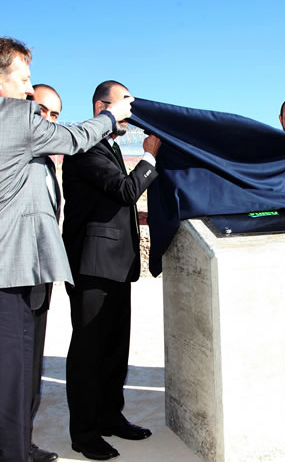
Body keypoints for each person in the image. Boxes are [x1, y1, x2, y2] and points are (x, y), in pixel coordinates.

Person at [0, 37, 133, 462]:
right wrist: (113, 118)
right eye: (24, 80)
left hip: (33, 269)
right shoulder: (17, 119)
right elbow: (78, 143)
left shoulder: (30, 148)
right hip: (15, 267)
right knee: (14, 372)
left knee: (25, 371)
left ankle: (19, 444)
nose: (28, 91)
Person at [62, 81, 162, 460]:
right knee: (88, 352)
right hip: (92, 268)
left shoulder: (110, 147)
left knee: (114, 350)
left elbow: (109, 201)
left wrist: (139, 217)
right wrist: (150, 156)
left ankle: (109, 418)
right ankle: (83, 433)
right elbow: (123, 189)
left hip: (118, 267)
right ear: (102, 106)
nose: (131, 116)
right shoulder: (84, 144)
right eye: (125, 106)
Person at [29, 84, 64, 462]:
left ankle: (21, 439)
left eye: (55, 115)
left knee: (31, 362)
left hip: (40, 277)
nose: (48, 120)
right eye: (42, 111)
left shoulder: (45, 164)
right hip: (15, 276)